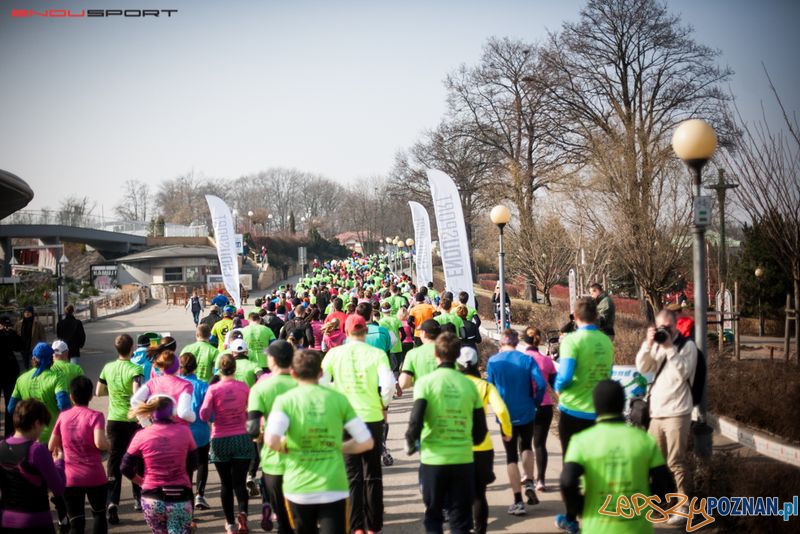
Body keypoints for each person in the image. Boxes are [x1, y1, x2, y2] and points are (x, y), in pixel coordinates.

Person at [266, 349, 374, 534]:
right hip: (334, 487)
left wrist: (286, 447)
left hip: (298, 487)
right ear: (321, 372)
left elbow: (271, 440)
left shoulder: (285, 401)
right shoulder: (338, 399)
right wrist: (339, 446)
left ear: (293, 373)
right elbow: (366, 442)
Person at [556, 380, 674, 534]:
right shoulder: (644, 440)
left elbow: (567, 481)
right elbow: (666, 483)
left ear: (596, 406)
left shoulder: (581, 442)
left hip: (597, 527)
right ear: (622, 405)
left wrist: (580, 508)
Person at [405, 332, 487, 534]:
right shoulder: (469, 385)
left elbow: (416, 420)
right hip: (463, 459)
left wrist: (411, 442)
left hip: (434, 459)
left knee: (433, 516)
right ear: (458, 354)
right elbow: (480, 430)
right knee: (460, 519)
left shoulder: (425, 383)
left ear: (436, 355)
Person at [321, 314, 394, 534]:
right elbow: (388, 384)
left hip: (345, 418)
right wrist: (383, 403)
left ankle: (357, 527)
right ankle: (374, 525)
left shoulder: (334, 354)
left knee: (351, 475)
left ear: (345, 330)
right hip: (371, 417)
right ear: (365, 331)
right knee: (372, 473)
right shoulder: (377, 354)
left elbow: (322, 383)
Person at [635, 308, 698, 525]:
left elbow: (684, 373)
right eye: (661, 327)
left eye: (667, 328)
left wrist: (669, 346)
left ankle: (685, 507)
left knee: (676, 462)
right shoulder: (659, 346)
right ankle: (660, 503)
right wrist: (648, 343)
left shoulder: (687, 346)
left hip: (677, 413)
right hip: (657, 412)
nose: (664, 331)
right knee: (653, 462)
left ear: (675, 325)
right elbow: (643, 367)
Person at [486, 330, 546, 516]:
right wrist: (535, 401)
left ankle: (518, 501)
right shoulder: (526, 359)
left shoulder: (494, 362)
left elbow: (491, 388)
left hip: (506, 413)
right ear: (516, 342)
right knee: (527, 445)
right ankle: (529, 481)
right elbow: (542, 384)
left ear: (501, 343)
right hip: (526, 410)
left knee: (511, 455)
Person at [122, 396, 198, 534]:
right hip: (180, 496)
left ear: (151, 413)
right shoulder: (185, 431)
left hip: (152, 497)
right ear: (172, 412)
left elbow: (125, 467)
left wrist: (142, 482)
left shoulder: (141, 435)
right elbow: (194, 463)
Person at [456, 346, 512, 534]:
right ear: (476, 363)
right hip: (482, 445)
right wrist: (506, 431)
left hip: (456, 446)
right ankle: (480, 529)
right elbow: (502, 410)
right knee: (479, 493)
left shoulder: (452, 384)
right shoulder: (486, 386)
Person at [246, 341, 297, 534]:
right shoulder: (302, 382)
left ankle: (268, 506)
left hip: (273, 456)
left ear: (273, 360)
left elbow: (251, 427)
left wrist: (259, 436)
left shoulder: (261, 387)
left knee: (283, 522)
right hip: (302, 457)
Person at [49, 376, 109, 534]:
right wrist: (109, 444)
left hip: (70, 477)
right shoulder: (96, 416)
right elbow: (100, 443)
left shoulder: (63, 416)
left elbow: (51, 445)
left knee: (76, 522)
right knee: (99, 515)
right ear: (90, 396)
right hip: (95, 475)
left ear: (71, 396)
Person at [200, 354, 253, 534]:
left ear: (219, 368)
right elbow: (252, 409)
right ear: (235, 368)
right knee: (239, 483)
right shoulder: (244, 387)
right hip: (241, 437)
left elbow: (204, 415)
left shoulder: (213, 389)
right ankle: (243, 513)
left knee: (226, 484)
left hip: (220, 438)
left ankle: (230, 524)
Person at [555, 297, 614, 456]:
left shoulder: (571, 341)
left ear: (574, 316)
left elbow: (565, 377)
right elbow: (609, 373)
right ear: (596, 316)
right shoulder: (606, 342)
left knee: (571, 465)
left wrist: (557, 387)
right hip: (599, 411)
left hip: (574, 410)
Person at [96, 334, 143, 524]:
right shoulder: (135, 368)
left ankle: (112, 501)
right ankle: (138, 498)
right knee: (135, 458)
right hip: (132, 420)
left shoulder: (108, 367)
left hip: (114, 420)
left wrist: (114, 391)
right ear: (131, 348)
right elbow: (137, 394)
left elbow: (98, 391)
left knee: (114, 461)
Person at [0, 398, 66, 533]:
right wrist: (59, 462)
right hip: (36, 521)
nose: (42, 430)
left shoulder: (1, 447)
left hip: (6, 519)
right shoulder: (36, 450)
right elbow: (58, 488)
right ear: (36, 423)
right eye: (42, 426)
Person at [8, 342, 71, 446]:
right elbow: (64, 405)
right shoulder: (57, 378)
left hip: (27, 436)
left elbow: (11, 408)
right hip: (52, 437)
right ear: (50, 359)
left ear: (33, 359)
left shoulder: (21, 379)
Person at [519, 327, 557, 492]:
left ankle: (528, 475)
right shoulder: (546, 360)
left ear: (524, 341)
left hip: (526, 405)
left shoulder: (521, 359)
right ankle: (541, 480)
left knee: (524, 442)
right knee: (540, 444)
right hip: (545, 405)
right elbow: (555, 385)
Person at [177, 353, 212, 511]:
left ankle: (188, 500)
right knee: (203, 462)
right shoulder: (204, 386)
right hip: (201, 431)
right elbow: (210, 413)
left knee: (186, 467)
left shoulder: (175, 385)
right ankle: (200, 494)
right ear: (196, 367)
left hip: (181, 433)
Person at [130, 349, 196, 425]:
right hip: (178, 431)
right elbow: (184, 413)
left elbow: (134, 400)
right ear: (178, 367)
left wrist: (146, 423)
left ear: (162, 367)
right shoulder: (186, 385)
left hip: (157, 429)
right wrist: (194, 417)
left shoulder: (152, 382)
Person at [398, 319, 441, 391]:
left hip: (423, 396)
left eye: (420, 332)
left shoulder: (413, 354)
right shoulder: (448, 350)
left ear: (424, 333)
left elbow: (403, 383)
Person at [0, 316, 23, 437]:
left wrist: (12, 333)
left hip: (9, 373)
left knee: (10, 404)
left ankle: (9, 433)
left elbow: (19, 346)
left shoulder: (11, 335)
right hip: (6, 372)